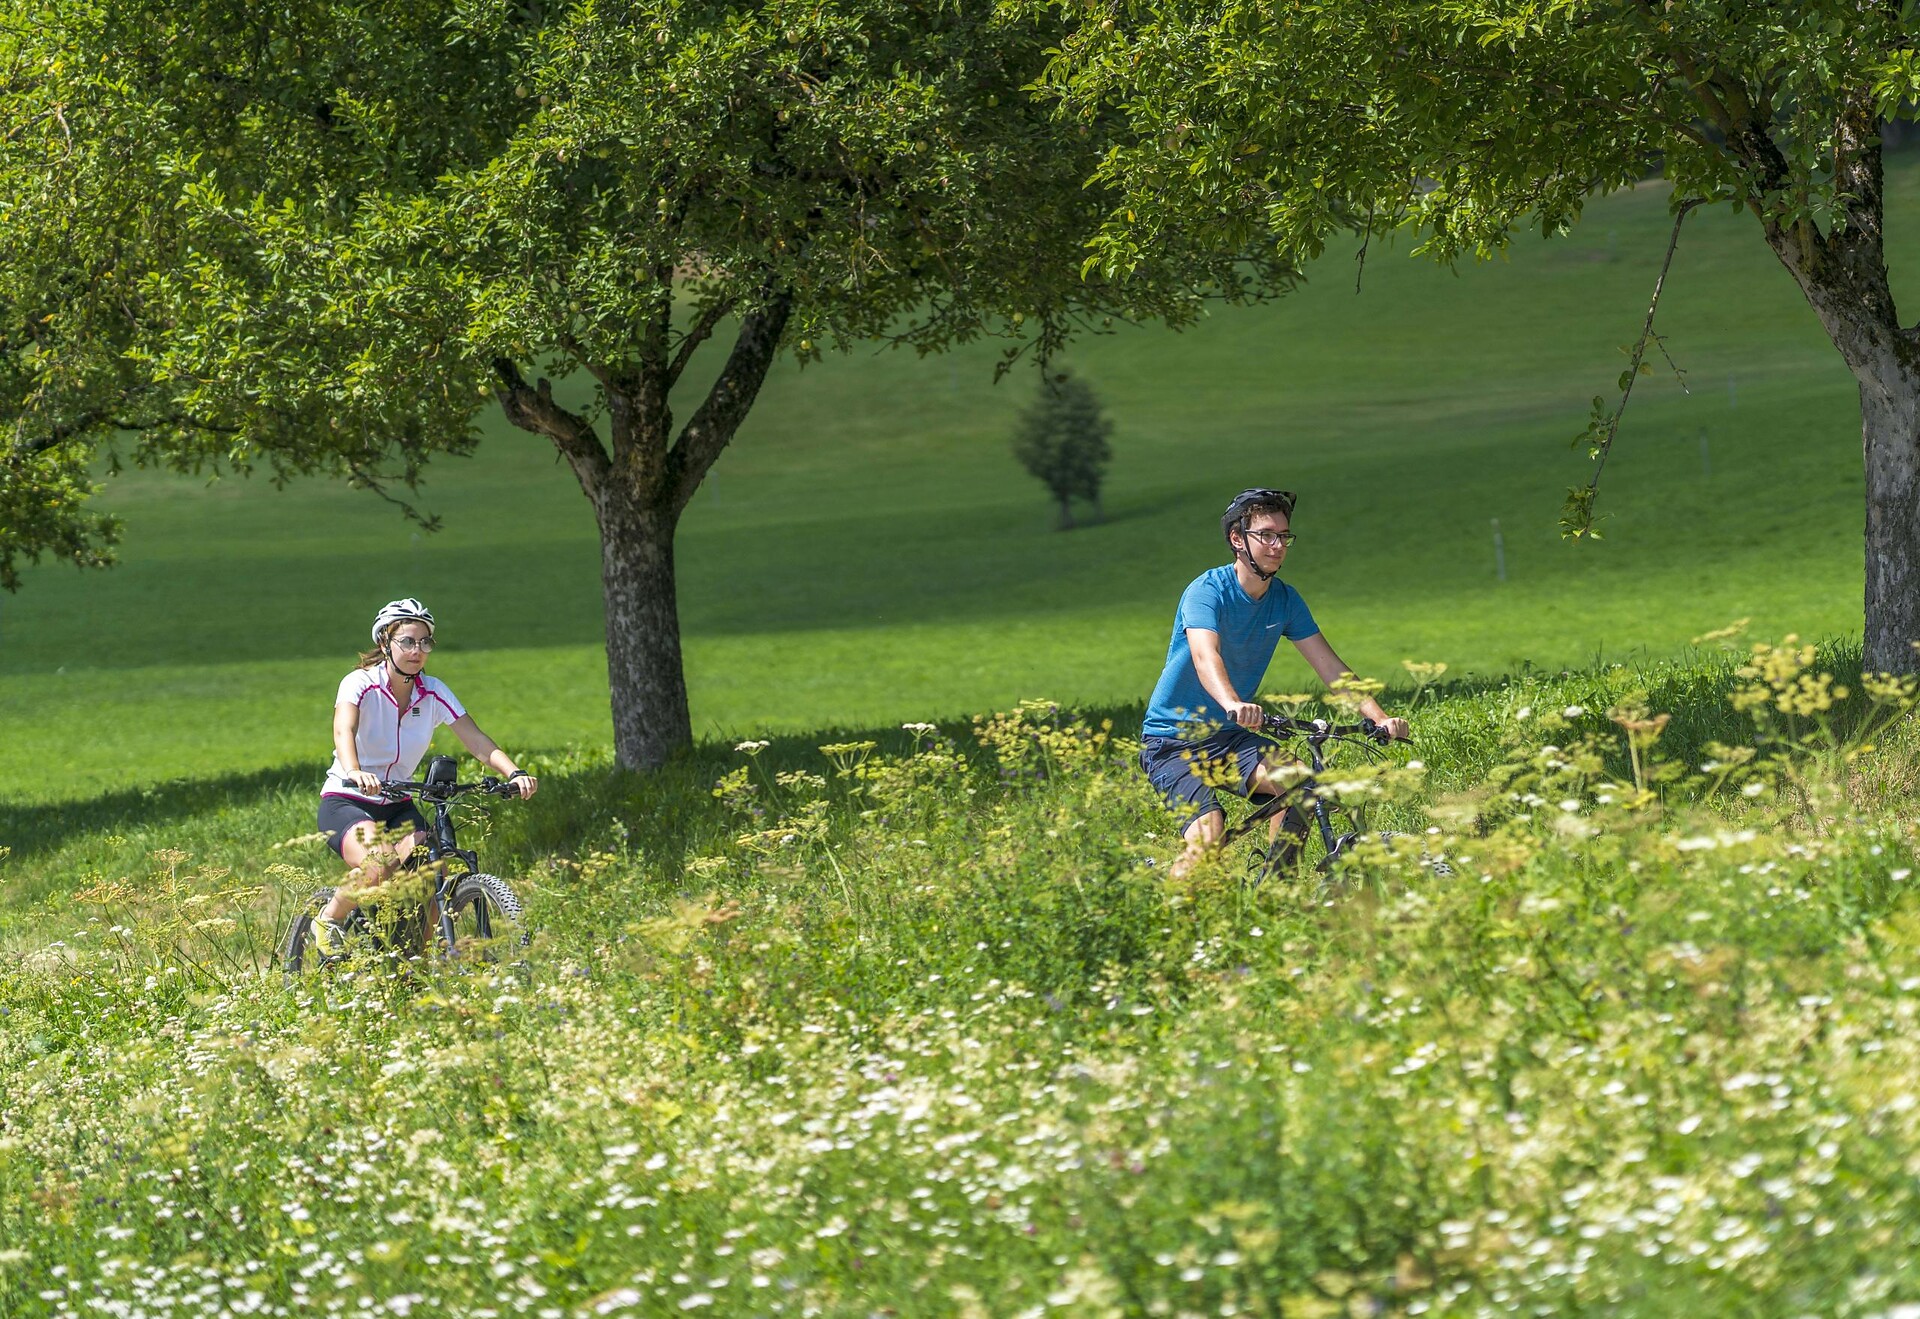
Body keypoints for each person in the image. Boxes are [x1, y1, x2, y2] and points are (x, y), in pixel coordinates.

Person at [1140, 489, 1409, 879]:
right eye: (1266, 534)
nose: (1277, 545)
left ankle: (1275, 890)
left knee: (1301, 785)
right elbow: (1205, 656)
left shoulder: (1285, 600)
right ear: (1238, 539)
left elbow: (1330, 667)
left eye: (1284, 536)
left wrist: (1380, 717)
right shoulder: (1207, 591)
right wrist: (1232, 702)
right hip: (1173, 741)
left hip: (1228, 738)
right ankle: (1165, 924)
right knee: (1208, 834)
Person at [312, 598, 538, 958]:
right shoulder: (360, 683)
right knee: (380, 863)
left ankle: (414, 965)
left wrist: (514, 772)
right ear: (386, 642)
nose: (417, 651)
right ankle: (328, 919)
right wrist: (354, 770)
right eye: (408, 641)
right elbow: (344, 728)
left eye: (424, 643)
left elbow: (475, 739)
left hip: (398, 800)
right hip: (349, 798)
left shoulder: (433, 691)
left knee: (435, 877)